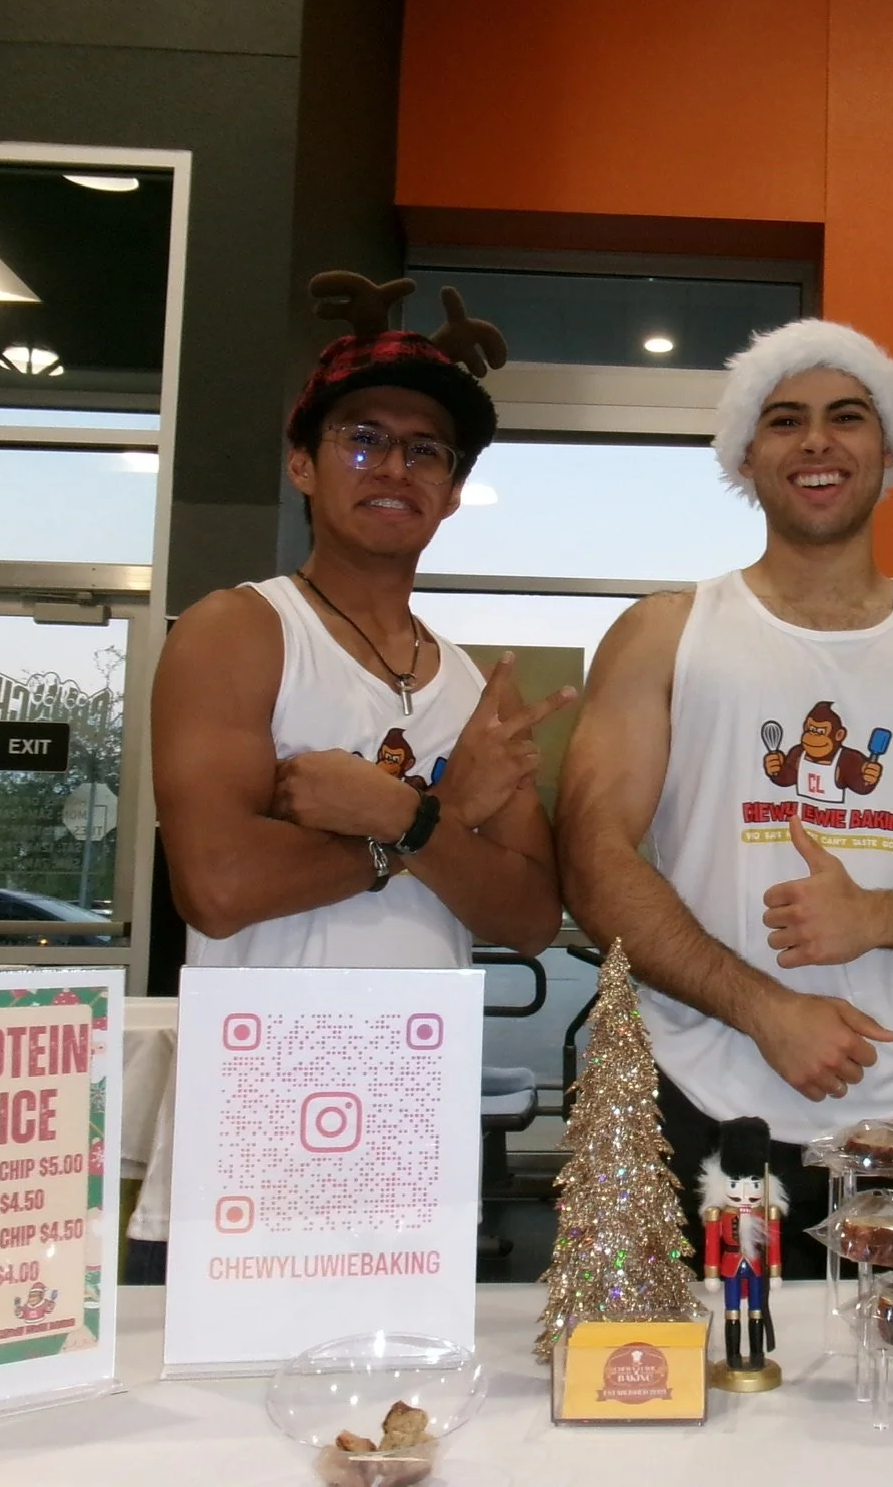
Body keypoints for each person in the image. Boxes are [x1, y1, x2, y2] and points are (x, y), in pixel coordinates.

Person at [558, 319, 893, 1274]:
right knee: (699, 1403)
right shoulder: (664, 637)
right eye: (784, 420)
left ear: (889, 450)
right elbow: (593, 858)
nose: (817, 442)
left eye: (846, 418)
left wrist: (877, 915)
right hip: (694, 1101)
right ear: (746, 456)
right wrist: (764, 1007)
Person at [133, 273, 573, 1266]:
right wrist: (436, 822)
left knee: (411, 1413)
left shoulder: (472, 685)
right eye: (363, 438)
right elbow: (218, 887)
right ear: (302, 462)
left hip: (415, 1102)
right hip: (258, 1105)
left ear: (454, 492)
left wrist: (397, 816)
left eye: (427, 451)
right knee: (224, 1414)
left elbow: (530, 914)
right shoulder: (239, 632)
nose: (395, 467)